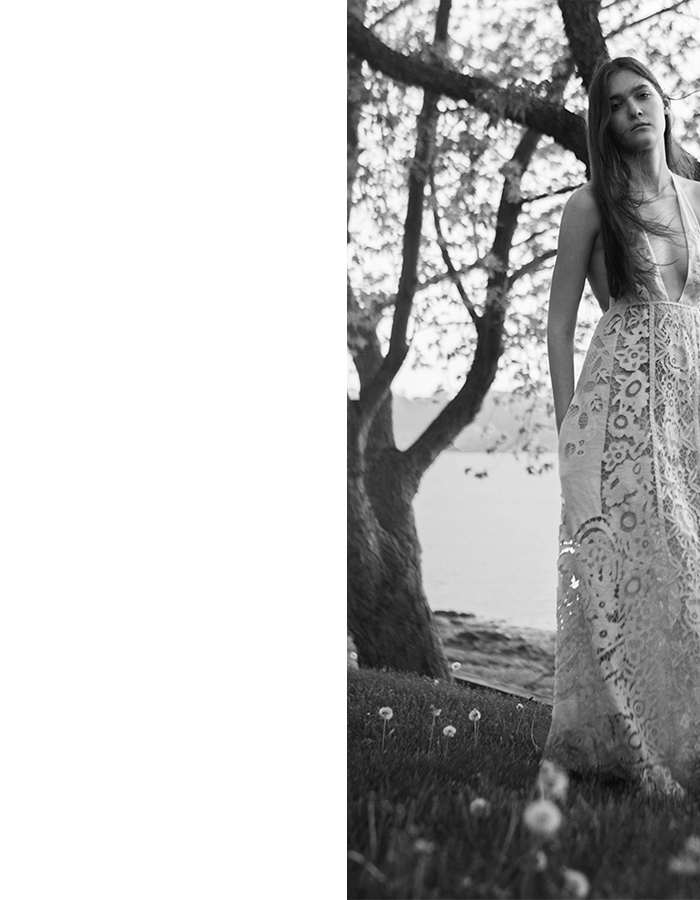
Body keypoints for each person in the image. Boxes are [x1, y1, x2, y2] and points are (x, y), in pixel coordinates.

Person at [545, 56, 700, 797]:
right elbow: (558, 324)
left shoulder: (697, 198)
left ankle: (685, 739)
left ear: (665, 105)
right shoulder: (590, 204)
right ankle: (641, 752)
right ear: (602, 124)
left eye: (643, 96)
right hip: (617, 408)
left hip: (689, 408)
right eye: (615, 104)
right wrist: (567, 428)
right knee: (642, 573)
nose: (633, 110)